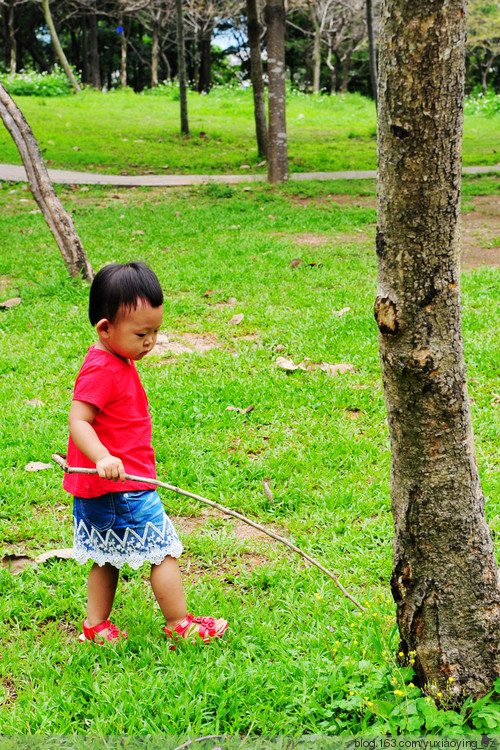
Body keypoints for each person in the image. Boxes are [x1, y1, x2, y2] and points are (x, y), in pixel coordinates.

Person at [63, 261, 228, 645]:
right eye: (142, 333)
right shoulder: (103, 369)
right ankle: (179, 625)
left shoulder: (116, 359)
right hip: (123, 487)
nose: (150, 341)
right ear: (105, 328)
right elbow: (78, 421)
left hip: (108, 489)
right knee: (162, 551)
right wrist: (103, 457)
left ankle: (96, 626)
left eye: (155, 331)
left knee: (107, 556)